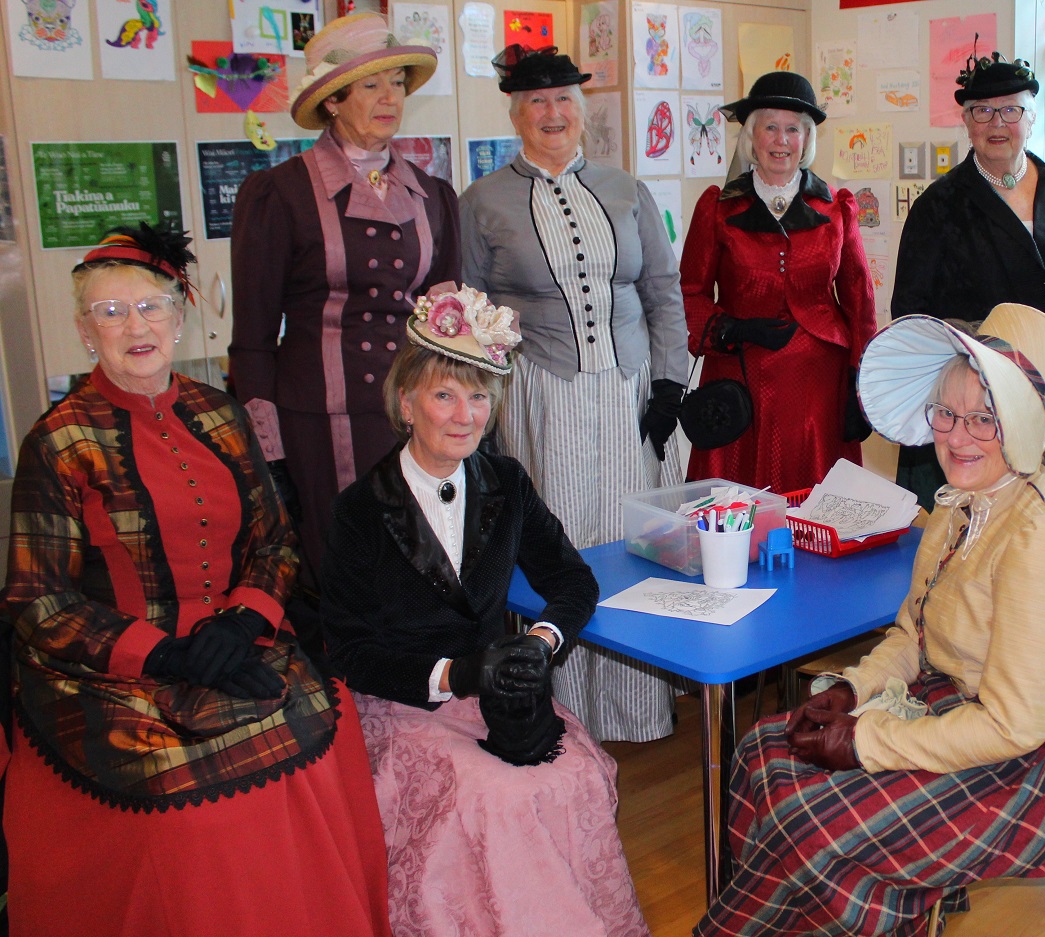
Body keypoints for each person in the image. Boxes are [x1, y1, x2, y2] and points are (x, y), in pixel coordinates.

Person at [4, 225, 390, 936]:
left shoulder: (222, 413)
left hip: (234, 638)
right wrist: (162, 654)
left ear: (181, 314)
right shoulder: (58, 439)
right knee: (187, 809)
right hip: (109, 667)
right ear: (85, 332)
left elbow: (274, 540)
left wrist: (244, 621)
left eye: (150, 306)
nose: (135, 326)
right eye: (111, 313)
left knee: (322, 720)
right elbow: (36, 599)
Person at [697, 303, 1045, 937]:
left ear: (1025, 426)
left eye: (985, 418)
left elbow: (1012, 728)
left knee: (813, 818)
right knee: (762, 748)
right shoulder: (961, 505)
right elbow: (912, 636)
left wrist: (865, 741)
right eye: (946, 413)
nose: (956, 437)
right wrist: (853, 690)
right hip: (965, 707)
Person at [319, 288, 649, 936]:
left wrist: (539, 644)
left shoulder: (504, 481)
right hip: (403, 700)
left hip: (501, 685)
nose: (465, 415)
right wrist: (459, 674)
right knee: (496, 798)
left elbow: (571, 580)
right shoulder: (359, 509)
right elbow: (347, 649)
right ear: (407, 400)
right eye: (445, 394)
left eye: (479, 396)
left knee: (578, 775)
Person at [460, 45, 687, 742]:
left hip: (626, 390)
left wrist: (669, 382)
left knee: (630, 539)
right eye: (536, 102)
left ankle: (635, 708)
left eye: (563, 100)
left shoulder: (626, 189)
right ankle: (566, 708)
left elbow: (661, 290)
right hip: (540, 393)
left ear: (583, 110)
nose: (551, 113)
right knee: (559, 545)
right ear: (514, 113)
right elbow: (470, 311)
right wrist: (485, 413)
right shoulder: (481, 200)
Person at [229, 11, 460, 596]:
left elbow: (448, 317)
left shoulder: (433, 194)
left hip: (416, 415)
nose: (391, 98)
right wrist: (268, 454)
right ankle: (350, 688)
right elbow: (253, 338)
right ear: (333, 101)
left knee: (427, 563)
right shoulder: (278, 194)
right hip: (321, 421)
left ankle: (432, 685)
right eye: (372, 85)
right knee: (348, 571)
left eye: (399, 83)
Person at [892, 50, 1045, 510]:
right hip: (978, 397)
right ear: (966, 121)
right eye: (982, 111)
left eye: (1010, 109)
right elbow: (911, 314)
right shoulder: (939, 206)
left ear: (1032, 116)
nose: (996, 122)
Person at [680, 72, 877, 492]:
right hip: (739, 373)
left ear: (806, 140)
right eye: (770, 127)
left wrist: (862, 380)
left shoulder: (837, 208)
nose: (780, 140)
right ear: (752, 136)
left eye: (793, 129)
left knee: (817, 505)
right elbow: (689, 291)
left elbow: (860, 298)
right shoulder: (716, 208)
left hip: (819, 384)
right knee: (736, 509)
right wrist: (729, 329)